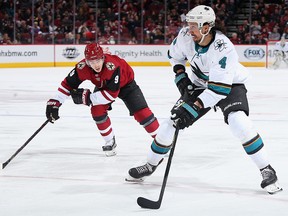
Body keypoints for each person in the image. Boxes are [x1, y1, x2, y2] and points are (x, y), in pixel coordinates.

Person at [126, 5, 282, 194]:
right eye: (189, 24)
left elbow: (218, 90)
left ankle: (266, 169)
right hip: (200, 83)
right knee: (172, 122)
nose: (188, 29)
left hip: (230, 85)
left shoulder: (224, 48)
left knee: (238, 121)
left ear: (206, 27)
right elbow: (174, 57)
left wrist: (192, 108)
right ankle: (150, 164)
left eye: (193, 26)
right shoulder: (185, 36)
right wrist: (181, 75)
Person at [46, 42, 159, 156]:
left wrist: (88, 98)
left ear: (103, 57)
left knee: (142, 114)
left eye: (98, 60)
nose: (96, 65)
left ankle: (161, 141)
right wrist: (55, 102)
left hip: (126, 85)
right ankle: (109, 141)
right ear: (86, 61)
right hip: (104, 86)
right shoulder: (82, 67)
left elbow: (111, 94)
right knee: (97, 110)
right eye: (92, 62)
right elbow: (67, 84)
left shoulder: (112, 66)